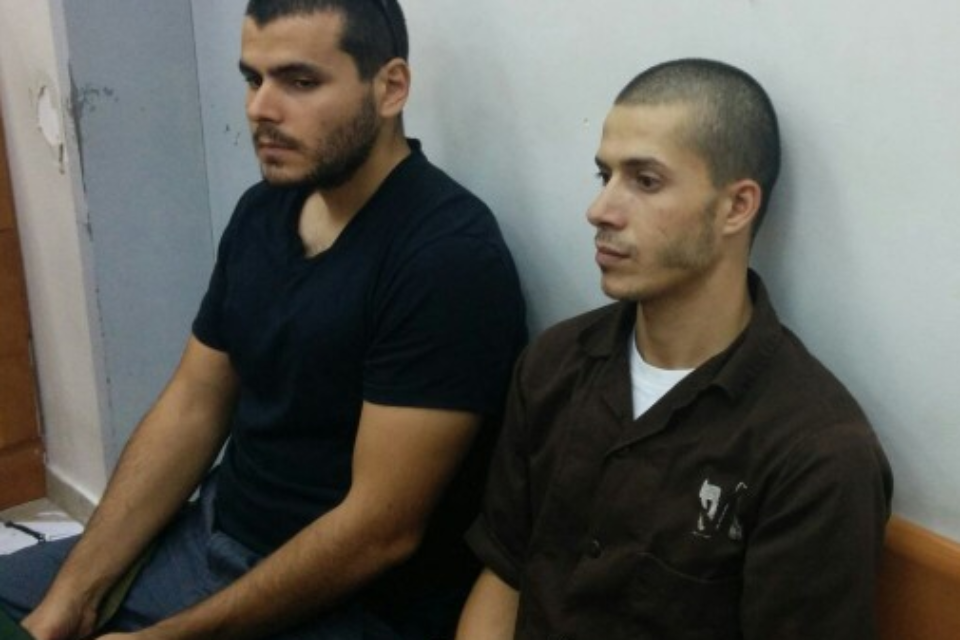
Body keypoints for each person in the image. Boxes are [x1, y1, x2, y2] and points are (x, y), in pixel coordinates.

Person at [0, 1, 526, 639]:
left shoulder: (446, 257)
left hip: (349, 604)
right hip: (211, 541)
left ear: (390, 87)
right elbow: (192, 406)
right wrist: (72, 597)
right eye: (254, 79)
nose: (260, 108)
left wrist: (165, 638)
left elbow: (378, 532)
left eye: (300, 81)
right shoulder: (264, 211)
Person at [456, 58, 893, 640]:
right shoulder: (555, 362)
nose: (600, 210)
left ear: (736, 207)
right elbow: (505, 575)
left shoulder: (816, 451)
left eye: (645, 181)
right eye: (604, 175)